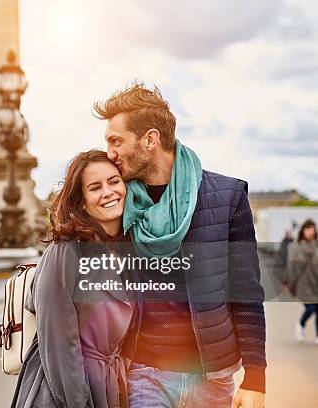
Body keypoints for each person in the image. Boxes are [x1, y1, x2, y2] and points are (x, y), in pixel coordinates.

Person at [94, 83, 266, 408]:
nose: (110, 153)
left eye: (116, 141)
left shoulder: (227, 198)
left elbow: (245, 290)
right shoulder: (116, 203)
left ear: (150, 139)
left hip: (212, 378)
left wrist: (256, 377)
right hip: (143, 372)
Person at [11, 150, 136, 408]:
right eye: (95, 187)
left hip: (107, 388)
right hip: (63, 393)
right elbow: (59, 345)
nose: (108, 192)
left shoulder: (124, 250)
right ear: (81, 201)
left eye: (114, 181)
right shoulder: (65, 251)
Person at [286, 219, 318, 343]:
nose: (311, 231)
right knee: (310, 308)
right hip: (302, 284)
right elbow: (291, 266)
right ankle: (301, 325)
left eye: (313, 229)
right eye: (308, 229)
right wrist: (290, 283)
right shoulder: (295, 247)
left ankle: (317, 336)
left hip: (315, 282)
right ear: (303, 231)